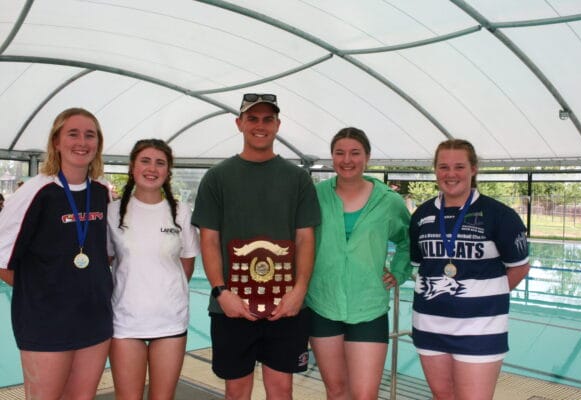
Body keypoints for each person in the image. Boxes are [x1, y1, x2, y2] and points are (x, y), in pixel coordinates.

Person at [192, 93, 321, 400]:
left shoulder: (298, 179)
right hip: (231, 306)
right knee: (236, 391)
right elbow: (209, 240)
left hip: (286, 305)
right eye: (252, 119)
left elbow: (305, 238)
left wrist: (299, 291)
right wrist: (221, 292)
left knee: (281, 390)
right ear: (239, 123)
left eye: (267, 119)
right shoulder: (217, 178)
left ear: (277, 125)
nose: (260, 126)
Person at [0, 107, 113, 399]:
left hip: (94, 318)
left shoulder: (102, 192)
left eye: (90, 135)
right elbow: (2, 257)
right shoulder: (36, 192)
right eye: (73, 134)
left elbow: (107, 253)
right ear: (56, 142)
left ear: (98, 143)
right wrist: (43, 292)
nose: (82, 142)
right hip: (45, 321)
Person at [410, 139, 530, 400]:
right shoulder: (422, 215)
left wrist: (484, 299)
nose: (450, 174)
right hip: (429, 324)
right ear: (435, 170)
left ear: (473, 169)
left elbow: (520, 268)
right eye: (443, 167)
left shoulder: (499, 215)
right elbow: (420, 267)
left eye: (459, 167)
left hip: (480, 328)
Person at [305, 127, 412, 399]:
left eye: (355, 153)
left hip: (368, 307)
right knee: (336, 390)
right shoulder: (316, 195)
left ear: (367, 157)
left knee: (365, 394)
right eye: (339, 153)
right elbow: (300, 240)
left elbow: (408, 240)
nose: (347, 160)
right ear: (332, 157)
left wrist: (398, 271)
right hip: (323, 303)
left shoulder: (388, 201)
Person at [107, 139, 199, 400]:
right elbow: (107, 260)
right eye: (145, 161)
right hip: (125, 321)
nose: (152, 168)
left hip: (169, 320)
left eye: (160, 163)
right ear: (132, 167)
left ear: (168, 171)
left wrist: (166, 293)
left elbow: (187, 263)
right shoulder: (113, 211)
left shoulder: (180, 212)